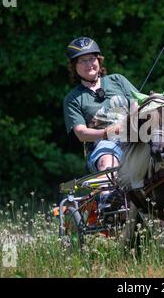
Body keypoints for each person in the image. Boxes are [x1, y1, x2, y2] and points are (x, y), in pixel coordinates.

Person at [63, 36, 139, 210]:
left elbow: (137, 102)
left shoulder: (117, 80)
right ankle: (110, 204)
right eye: (83, 61)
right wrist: (108, 132)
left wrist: (132, 121)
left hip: (135, 138)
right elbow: (81, 133)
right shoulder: (73, 98)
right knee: (107, 161)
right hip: (103, 145)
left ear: (99, 60)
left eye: (92, 59)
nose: (89, 64)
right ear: (74, 66)